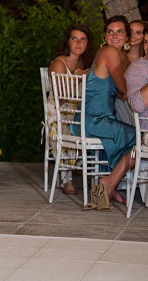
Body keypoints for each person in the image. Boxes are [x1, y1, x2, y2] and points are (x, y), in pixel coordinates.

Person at [77, 15, 135, 209]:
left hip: (101, 119)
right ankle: (109, 182)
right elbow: (124, 89)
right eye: (110, 31)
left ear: (127, 37)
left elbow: (119, 92)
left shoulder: (121, 56)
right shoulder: (109, 52)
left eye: (120, 32)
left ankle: (111, 183)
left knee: (132, 134)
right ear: (105, 35)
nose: (115, 36)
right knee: (139, 138)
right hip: (94, 120)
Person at [47, 24, 95, 195]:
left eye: (83, 39)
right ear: (68, 41)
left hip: (79, 112)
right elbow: (60, 97)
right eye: (74, 38)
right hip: (58, 114)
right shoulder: (60, 63)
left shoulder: (85, 63)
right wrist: (77, 77)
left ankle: (99, 178)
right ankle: (66, 179)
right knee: (69, 126)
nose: (78, 43)